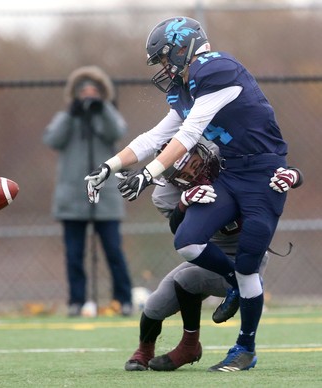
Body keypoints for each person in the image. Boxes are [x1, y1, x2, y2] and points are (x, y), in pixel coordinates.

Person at [84, 17, 303, 370]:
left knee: (248, 267)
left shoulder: (218, 69)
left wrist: (146, 175)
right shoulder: (187, 86)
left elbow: (188, 135)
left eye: (166, 58)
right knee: (187, 240)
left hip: (263, 173)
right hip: (231, 170)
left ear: (184, 48)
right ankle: (235, 283)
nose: (164, 68)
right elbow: (155, 137)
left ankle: (245, 349)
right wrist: (108, 167)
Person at [124, 144, 303, 372]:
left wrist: (293, 175)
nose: (196, 174)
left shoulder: (231, 159)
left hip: (246, 256)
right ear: (172, 180)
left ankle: (190, 345)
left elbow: (283, 170)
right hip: (208, 255)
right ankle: (144, 350)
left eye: (196, 165)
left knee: (188, 279)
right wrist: (183, 203)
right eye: (184, 175)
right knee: (154, 305)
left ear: (205, 153)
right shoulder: (166, 194)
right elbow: (179, 233)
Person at [43, 65, 132, 317]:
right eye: (84, 92)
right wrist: (72, 114)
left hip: (105, 196)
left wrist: (102, 108)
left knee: (114, 251)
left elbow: (117, 133)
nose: (89, 96)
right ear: (75, 94)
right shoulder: (66, 118)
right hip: (72, 197)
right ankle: (76, 301)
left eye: (94, 92)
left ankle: (123, 300)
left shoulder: (108, 115)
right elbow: (52, 140)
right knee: (73, 254)